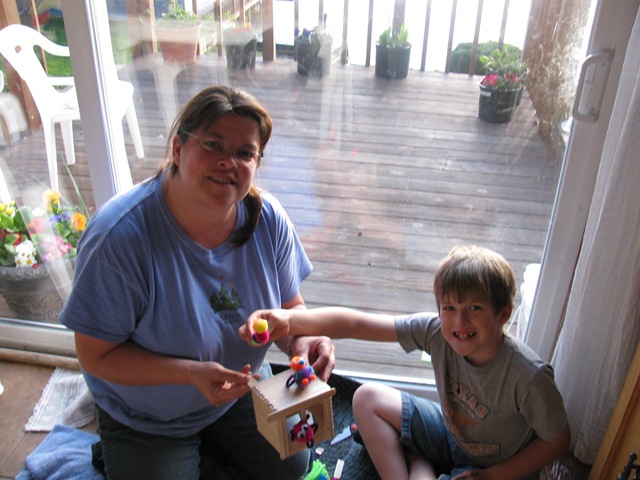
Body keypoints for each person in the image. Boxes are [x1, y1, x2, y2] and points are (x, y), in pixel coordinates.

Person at [59, 85, 335, 480]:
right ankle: (125, 446)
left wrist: (304, 341)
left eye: (245, 153)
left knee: (294, 464)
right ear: (178, 148)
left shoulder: (267, 219)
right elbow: (95, 356)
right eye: (213, 144)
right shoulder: (118, 238)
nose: (228, 162)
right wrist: (190, 373)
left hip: (238, 389)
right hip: (147, 414)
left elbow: (291, 309)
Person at [241, 245, 570, 480]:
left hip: (495, 464)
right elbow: (356, 323)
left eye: (475, 308)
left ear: (503, 314)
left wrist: (493, 476)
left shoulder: (528, 376)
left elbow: (558, 440)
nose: (460, 321)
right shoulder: (436, 331)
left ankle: (418, 459)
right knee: (366, 398)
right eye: (449, 308)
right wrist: (289, 321)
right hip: (449, 433)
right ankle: (415, 462)